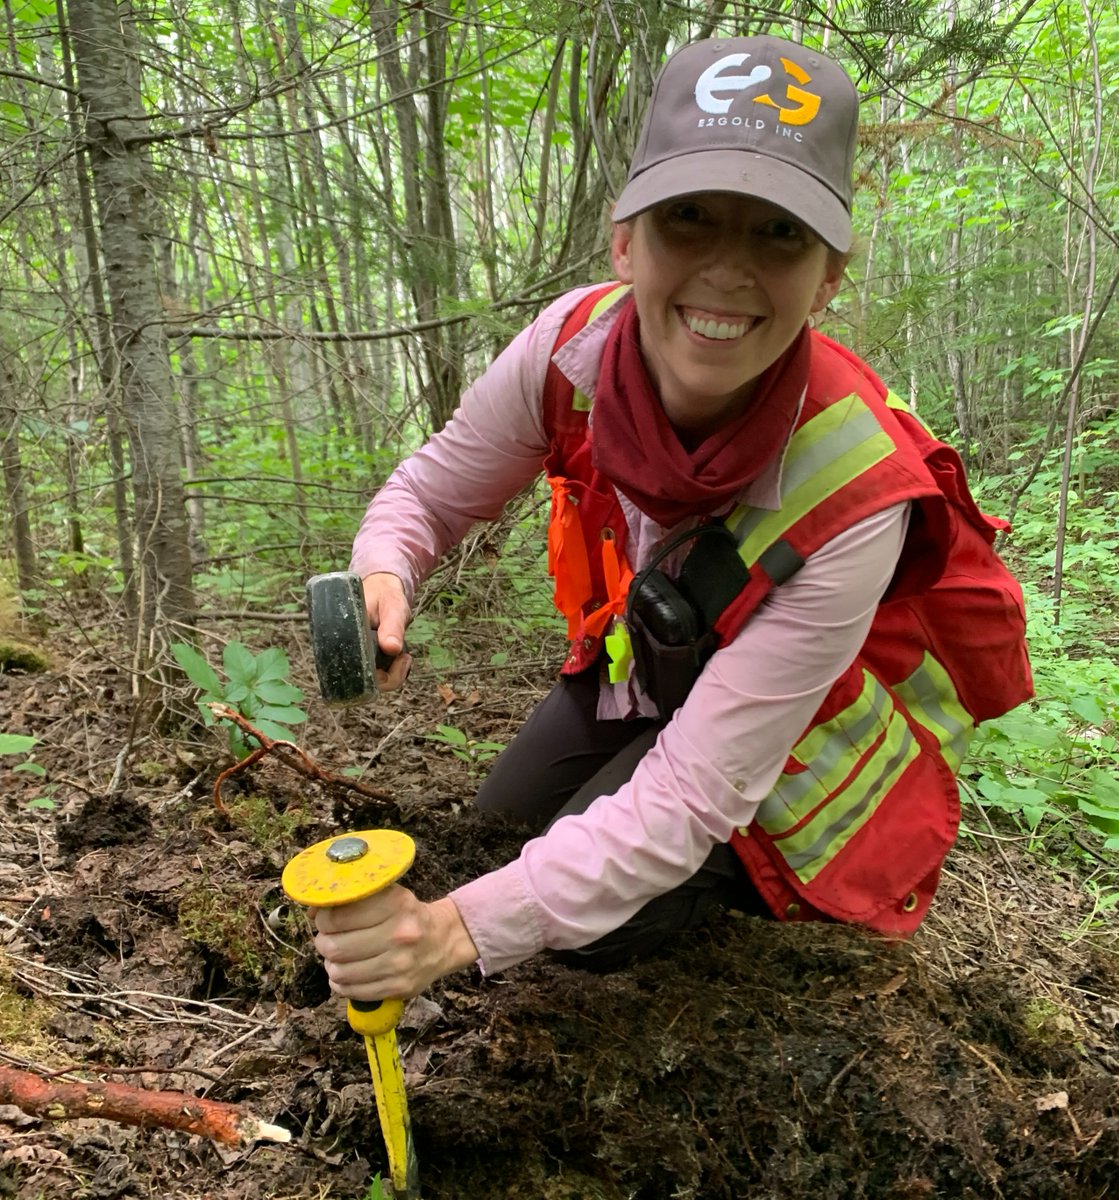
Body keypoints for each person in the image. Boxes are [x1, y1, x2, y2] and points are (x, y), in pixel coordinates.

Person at [310, 35, 1032, 1002]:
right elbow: (432, 492)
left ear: (828, 277)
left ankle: (752, 909)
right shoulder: (568, 352)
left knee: (583, 932)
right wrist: (385, 566)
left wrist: (451, 933)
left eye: (779, 233)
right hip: (653, 672)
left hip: (796, 740)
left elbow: (693, 792)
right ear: (623, 239)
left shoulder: (859, 492)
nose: (728, 271)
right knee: (504, 827)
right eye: (688, 218)